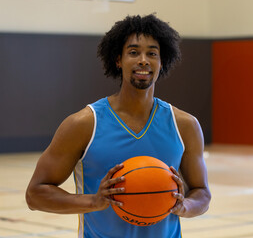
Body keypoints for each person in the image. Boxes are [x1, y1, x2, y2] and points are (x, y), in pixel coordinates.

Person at [26, 14, 211, 238]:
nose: (143, 60)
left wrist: (185, 207)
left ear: (161, 62)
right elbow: (35, 194)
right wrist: (93, 201)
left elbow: (202, 193)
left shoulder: (185, 125)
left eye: (152, 53)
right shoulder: (84, 124)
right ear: (118, 60)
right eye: (133, 52)